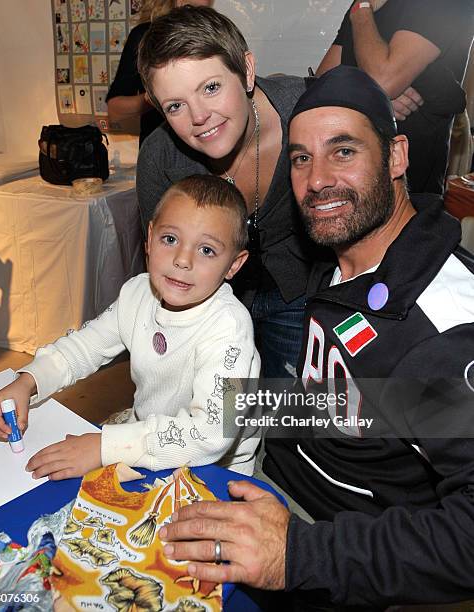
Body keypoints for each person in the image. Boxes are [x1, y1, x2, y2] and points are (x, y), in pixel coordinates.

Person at [157, 67, 474, 608]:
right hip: (275, 476)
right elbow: (353, 407)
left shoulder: (438, 328)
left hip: (331, 544)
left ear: (397, 157)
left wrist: (298, 555)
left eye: (343, 151)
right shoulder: (350, 256)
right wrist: (207, 414)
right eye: (302, 157)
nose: (318, 179)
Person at [0, 175, 260, 480]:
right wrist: (28, 381)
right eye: (170, 239)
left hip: (215, 468)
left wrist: (104, 447)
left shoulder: (231, 329)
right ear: (150, 236)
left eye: (207, 250)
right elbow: (85, 347)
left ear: (234, 265)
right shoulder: (137, 293)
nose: (182, 260)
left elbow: (212, 434)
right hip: (147, 437)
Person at [136, 5, 314, 379]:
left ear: (246, 71)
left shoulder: (306, 113)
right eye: (176, 105)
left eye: (211, 87)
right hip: (212, 306)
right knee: (226, 422)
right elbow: (164, 261)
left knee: (288, 413)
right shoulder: (160, 157)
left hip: (300, 293)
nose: (198, 116)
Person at [316, 0, 474, 195]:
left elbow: (383, 80)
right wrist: (366, 92)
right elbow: (321, 82)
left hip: (409, 188)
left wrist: (361, 12)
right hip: (350, 175)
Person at [106, 0, 212, 146]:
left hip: (205, 144)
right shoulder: (146, 36)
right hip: (160, 150)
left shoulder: (211, 33)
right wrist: (154, 98)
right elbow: (114, 110)